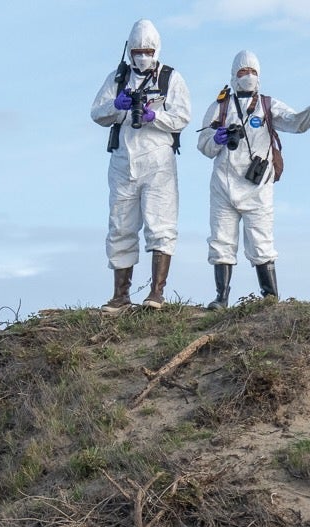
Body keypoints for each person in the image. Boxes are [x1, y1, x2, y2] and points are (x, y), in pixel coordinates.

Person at [197, 50, 310, 306]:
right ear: (234, 76)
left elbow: (295, 123)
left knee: (261, 242)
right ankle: (221, 298)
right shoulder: (220, 107)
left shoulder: (268, 105)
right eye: (243, 72)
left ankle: (270, 298)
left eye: (253, 72)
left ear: (260, 76)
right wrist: (216, 139)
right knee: (221, 240)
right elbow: (203, 144)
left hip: (258, 185)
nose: (248, 76)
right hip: (224, 184)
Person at [91, 19, 192, 311]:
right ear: (129, 50)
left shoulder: (171, 78)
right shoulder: (118, 78)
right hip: (123, 159)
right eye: (137, 50)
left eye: (147, 50)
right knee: (120, 225)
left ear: (156, 49)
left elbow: (182, 117)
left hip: (158, 159)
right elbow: (97, 112)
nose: (142, 55)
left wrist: (154, 116)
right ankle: (120, 295)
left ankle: (156, 292)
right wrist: (117, 106)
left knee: (161, 224)